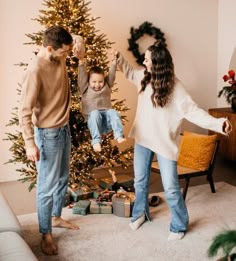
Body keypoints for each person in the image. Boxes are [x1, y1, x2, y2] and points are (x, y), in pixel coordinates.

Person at [112, 41, 232, 241]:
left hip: (164, 144)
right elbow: (129, 71)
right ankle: (140, 213)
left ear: (157, 63)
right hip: (142, 139)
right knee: (140, 181)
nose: (144, 61)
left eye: (147, 59)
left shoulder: (176, 88)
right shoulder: (143, 77)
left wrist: (219, 123)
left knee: (170, 188)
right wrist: (118, 58)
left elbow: (194, 113)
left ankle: (178, 225)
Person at [18, 26, 83, 255]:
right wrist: (29, 143)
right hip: (47, 135)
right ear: (49, 49)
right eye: (63, 52)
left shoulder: (59, 53)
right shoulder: (36, 69)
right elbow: (24, 111)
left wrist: (78, 43)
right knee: (46, 187)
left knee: (63, 178)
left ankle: (55, 217)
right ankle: (45, 233)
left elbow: (77, 41)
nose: (67, 55)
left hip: (63, 129)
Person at [74, 36, 126, 152]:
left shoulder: (107, 85)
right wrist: (81, 62)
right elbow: (82, 76)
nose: (97, 85)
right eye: (94, 82)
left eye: (100, 82)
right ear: (88, 81)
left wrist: (113, 62)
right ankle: (96, 141)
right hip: (93, 119)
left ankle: (118, 135)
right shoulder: (85, 88)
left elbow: (111, 75)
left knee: (113, 112)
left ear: (104, 81)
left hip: (106, 119)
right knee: (95, 113)